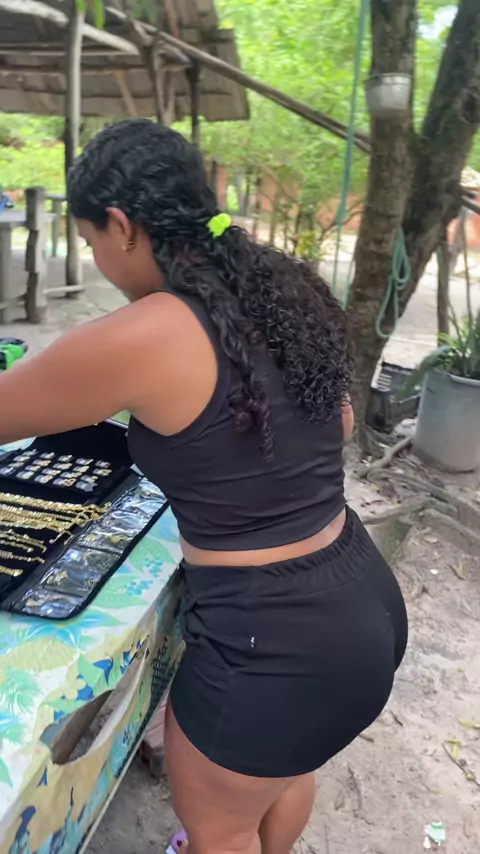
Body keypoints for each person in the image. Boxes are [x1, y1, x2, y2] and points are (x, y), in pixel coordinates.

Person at [0, 120, 407, 854]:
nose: (98, 262)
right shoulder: (284, 287)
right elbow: (339, 420)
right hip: (360, 595)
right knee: (283, 771)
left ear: (122, 225)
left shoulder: (148, 331)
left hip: (271, 642)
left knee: (219, 832)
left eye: (91, 242)